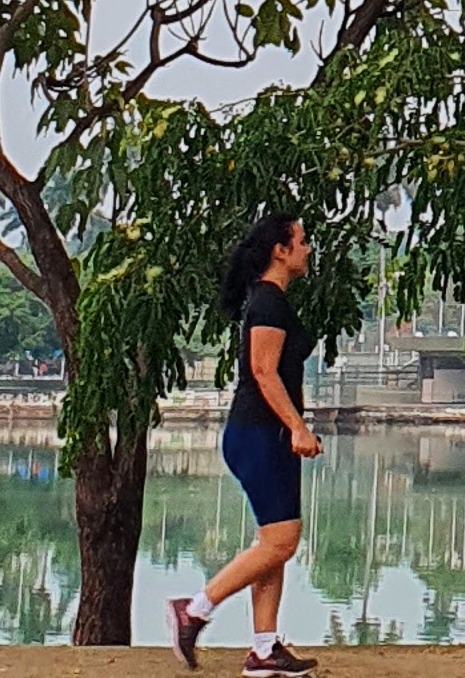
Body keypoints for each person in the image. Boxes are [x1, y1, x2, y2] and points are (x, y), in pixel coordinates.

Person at [167, 212, 322, 676]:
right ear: (281, 250)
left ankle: (263, 649)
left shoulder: (269, 300)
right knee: (281, 542)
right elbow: (262, 371)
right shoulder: (269, 303)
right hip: (260, 433)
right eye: (302, 240)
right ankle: (193, 611)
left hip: (262, 434)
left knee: (273, 543)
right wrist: (297, 426)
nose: (308, 248)